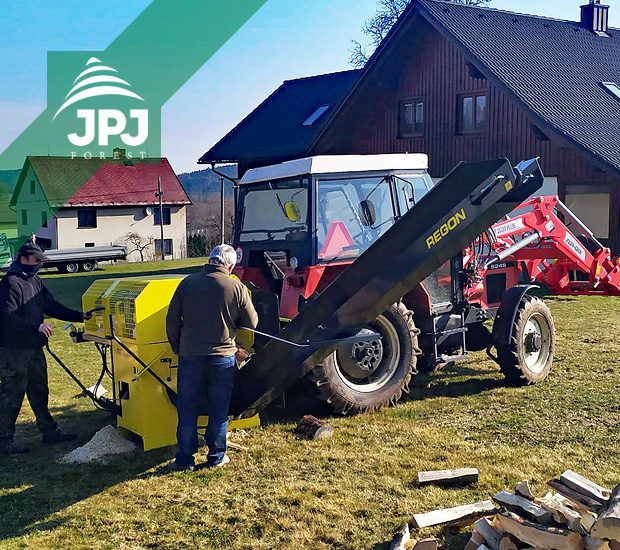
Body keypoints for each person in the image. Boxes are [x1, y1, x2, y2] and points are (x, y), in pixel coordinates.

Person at [166, 244, 258, 471]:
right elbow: (252, 323)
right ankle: (216, 456)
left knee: (187, 410)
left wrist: (178, 347)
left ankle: (185, 460)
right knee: (219, 410)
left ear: (210, 260)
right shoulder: (236, 287)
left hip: (190, 357)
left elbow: (171, 319)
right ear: (230, 265)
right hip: (222, 360)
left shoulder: (187, 283)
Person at [0, 243, 91, 454]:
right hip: (14, 350)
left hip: (34, 347)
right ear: (24, 259)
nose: (40, 264)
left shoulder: (35, 281)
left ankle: (49, 431)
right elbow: (7, 318)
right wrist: (37, 326)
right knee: (11, 394)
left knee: (40, 391)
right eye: (37, 260)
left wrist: (79, 316)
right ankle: (4, 440)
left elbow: (51, 306)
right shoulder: (10, 284)